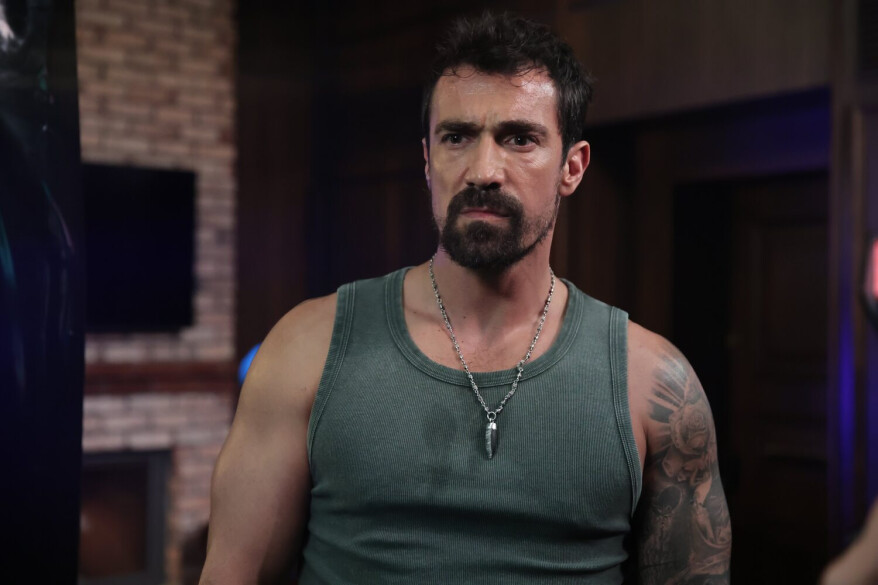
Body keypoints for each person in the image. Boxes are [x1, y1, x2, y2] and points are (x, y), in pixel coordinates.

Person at [199, 12, 731, 585]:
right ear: (428, 161)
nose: (483, 170)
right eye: (456, 137)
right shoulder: (305, 348)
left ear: (572, 167)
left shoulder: (655, 384)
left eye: (519, 138)